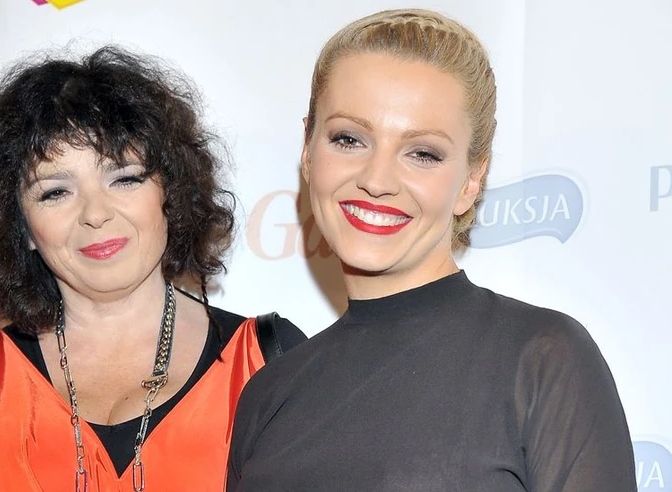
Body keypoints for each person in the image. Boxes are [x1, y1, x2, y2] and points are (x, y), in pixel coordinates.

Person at [227, 9, 635, 491]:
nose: (377, 180)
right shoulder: (268, 395)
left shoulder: (543, 361)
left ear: (470, 181)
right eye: (349, 139)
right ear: (308, 149)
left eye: (422, 153)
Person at [0, 45, 306, 492]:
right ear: (21, 226)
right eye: (55, 192)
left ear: (170, 194)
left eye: (124, 178)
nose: (96, 213)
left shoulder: (267, 361)